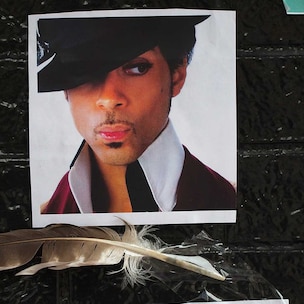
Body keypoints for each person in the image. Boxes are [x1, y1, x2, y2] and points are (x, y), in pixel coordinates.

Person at [35, 15, 237, 214]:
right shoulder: (45, 216)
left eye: (137, 68)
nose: (109, 98)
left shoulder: (234, 203)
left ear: (176, 75)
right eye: (83, 72)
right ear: (66, 89)